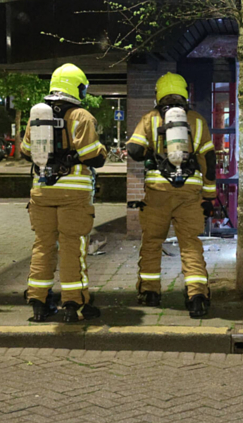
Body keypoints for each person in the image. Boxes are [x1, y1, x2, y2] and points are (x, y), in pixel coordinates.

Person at [20, 63, 107, 323]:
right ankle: (74, 305)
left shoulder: (37, 115)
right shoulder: (81, 116)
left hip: (42, 192)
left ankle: (39, 303)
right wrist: (100, 151)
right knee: (72, 248)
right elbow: (93, 155)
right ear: (76, 86)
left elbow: (26, 151)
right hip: (74, 195)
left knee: (43, 246)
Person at [126, 72, 217, 319]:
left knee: (152, 242)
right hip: (189, 194)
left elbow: (134, 150)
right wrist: (209, 196)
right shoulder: (197, 121)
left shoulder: (150, 119)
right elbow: (209, 160)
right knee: (190, 244)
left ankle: (150, 293)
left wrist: (151, 154)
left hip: (157, 193)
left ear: (159, 93)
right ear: (185, 93)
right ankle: (197, 297)